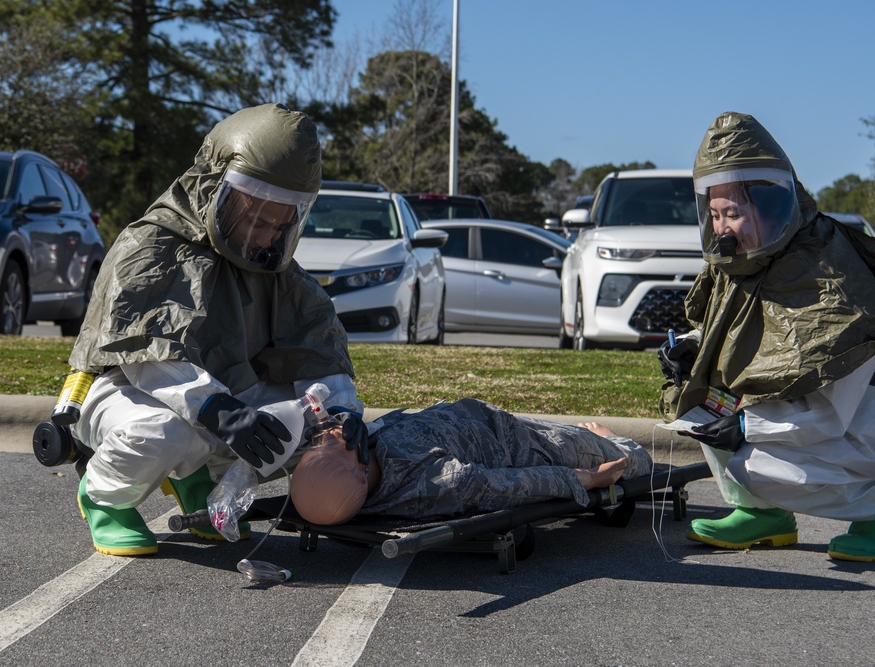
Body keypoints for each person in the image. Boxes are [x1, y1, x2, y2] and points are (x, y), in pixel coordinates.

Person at [68, 103, 368, 557]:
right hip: (121, 388)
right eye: (257, 217)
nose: (267, 236)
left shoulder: (278, 272)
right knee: (166, 430)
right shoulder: (150, 247)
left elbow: (316, 351)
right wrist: (216, 409)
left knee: (308, 427)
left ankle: (202, 484)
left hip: (218, 399)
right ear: (215, 188)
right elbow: (147, 357)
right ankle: (104, 497)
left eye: (280, 223)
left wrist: (342, 416)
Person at [659, 111, 875, 563]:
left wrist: (747, 425)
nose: (722, 228)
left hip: (865, 415)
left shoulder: (832, 275)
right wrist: (691, 349)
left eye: (734, 214)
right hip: (798, 410)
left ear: (771, 204)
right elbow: (743, 333)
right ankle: (762, 515)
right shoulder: (749, 264)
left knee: (750, 457)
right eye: (716, 213)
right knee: (700, 400)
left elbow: (831, 405)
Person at [289, 398, 653, 525]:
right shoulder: (435, 482)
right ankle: (608, 437)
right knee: (634, 460)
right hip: (531, 447)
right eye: (331, 445)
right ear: (360, 472)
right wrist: (585, 479)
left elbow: (325, 426)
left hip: (487, 419)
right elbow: (510, 485)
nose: (331, 435)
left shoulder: (354, 455)